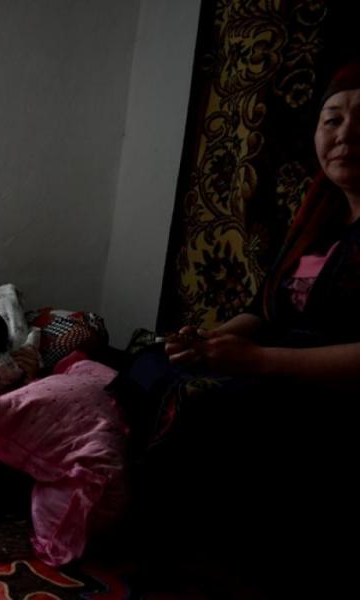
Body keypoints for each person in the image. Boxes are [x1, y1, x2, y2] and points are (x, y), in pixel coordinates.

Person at [113, 60, 360, 595]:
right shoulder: (318, 225)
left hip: (330, 388)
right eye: (333, 120)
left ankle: (204, 564)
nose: (346, 135)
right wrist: (206, 340)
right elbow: (265, 310)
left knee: (204, 405)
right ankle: (126, 523)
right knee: (149, 364)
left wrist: (256, 360)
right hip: (274, 359)